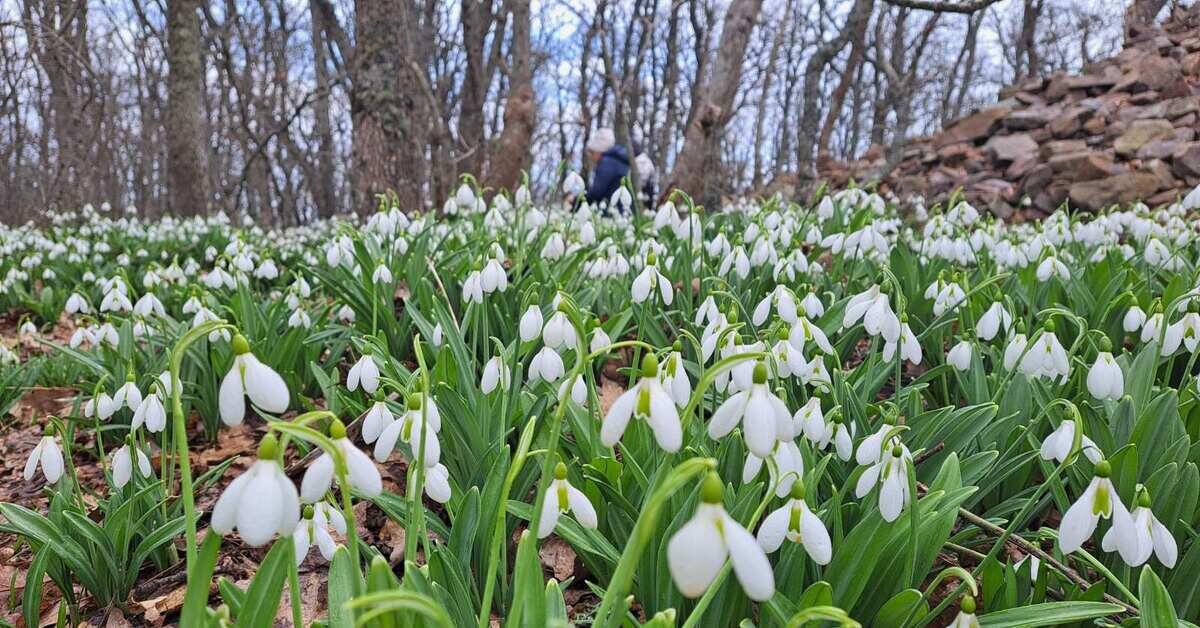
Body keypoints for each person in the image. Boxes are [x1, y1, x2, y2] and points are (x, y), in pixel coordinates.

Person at [582, 128, 629, 211]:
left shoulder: (607, 163)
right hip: (622, 210)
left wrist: (578, 202)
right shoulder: (619, 160)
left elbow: (597, 191)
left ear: (599, 150)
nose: (591, 157)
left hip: (613, 211)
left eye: (592, 152)